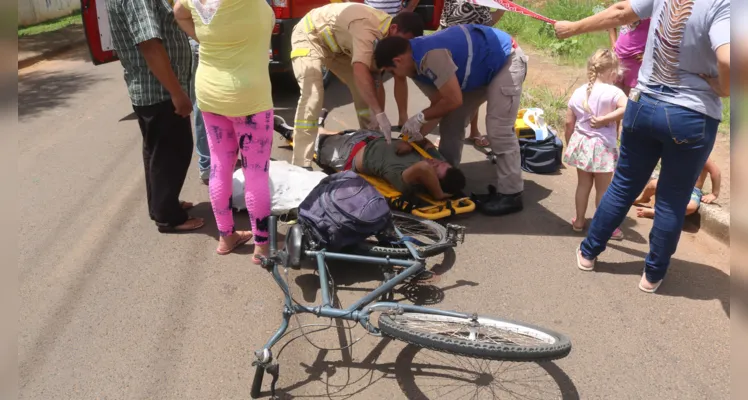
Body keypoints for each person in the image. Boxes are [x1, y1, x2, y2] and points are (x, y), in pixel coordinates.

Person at [555, 0, 730, 293]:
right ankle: (651, 275)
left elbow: (622, 11)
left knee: (623, 185)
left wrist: (573, 27)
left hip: (643, 104)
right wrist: (725, 88)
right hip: (690, 114)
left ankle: (588, 253)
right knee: (672, 199)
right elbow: (729, 58)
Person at [374, 24, 528, 216]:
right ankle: (447, 177)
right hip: (480, 68)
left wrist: (420, 118)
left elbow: (453, 100)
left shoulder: (431, 57)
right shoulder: (414, 65)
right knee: (452, 121)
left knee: (498, 128)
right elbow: (440, 105)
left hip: (505, 60)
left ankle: (511, 194)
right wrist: (410, 139)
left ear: (397, 60)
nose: (396, 76)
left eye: (392, 71)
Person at [174, 0, 275, 261]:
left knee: (219, 165)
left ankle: (226, 235)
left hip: (210, 92)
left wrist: (208, 39)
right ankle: (262, 247)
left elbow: (179, 13)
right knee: (256, 173)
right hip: (250, 96)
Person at [106, 0, 204, 233]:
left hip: (154, 90)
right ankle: (169, 217)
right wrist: (177, 93)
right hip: (159, 91)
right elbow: (149, 45)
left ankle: (162, 205)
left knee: (157, 153)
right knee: (172, 152)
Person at [289, 3, 425, 168]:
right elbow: (360, 71)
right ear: (394, 28)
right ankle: (300, 163)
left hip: (338, 48)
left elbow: (375, 76)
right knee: (313, 96)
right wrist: (380, 114)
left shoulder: (389, 35)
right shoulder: (367, 29)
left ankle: (372, 142)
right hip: (310, 37)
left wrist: (377, 120)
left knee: (364, 94)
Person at [563, 49, 627, 239]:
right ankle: (604, 227)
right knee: (603, 190)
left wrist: (570, 144)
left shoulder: (578, 92)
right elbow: (628, 107)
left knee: (583, 185)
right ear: (613, 73)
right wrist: (605, 119)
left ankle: (579, 221)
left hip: (582, 144)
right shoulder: (614, 92)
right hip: (603, 148)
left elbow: (568, 123)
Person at [315, 129, 466, 200]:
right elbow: (424, 141)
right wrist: (409, 142)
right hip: (372, 136)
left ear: (432, 181)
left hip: (347, 153)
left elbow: (424, 168)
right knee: (335, 133)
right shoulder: (435, 163)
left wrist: (439, 194)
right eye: (441, 162)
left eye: (437, 168)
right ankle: (321, 126)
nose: (434, 161)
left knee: (313, 138)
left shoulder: (409, 181)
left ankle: (299, 131)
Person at [439, 0, 506, 148]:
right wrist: (501, 11)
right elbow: (487, 21)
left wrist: (502, 8)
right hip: (454, 42)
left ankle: (472, 131)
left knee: (472, 87)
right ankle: (447, 134)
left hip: (472, 44)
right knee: (452, 89)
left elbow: (486, 21)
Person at [635, 158, 722, 219]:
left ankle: (655, 212)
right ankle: (643, 198)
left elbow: (716, 172)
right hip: (672, 184)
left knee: (691, 207)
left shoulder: (703, 154)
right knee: (653, 184)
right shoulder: (679, 150)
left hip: (692, 190)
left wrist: (714, 193)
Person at [607, 18, 651, 96]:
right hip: (618, 56)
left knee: (630, 96)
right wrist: (613, 44)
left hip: (636, 59)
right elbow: (612, 20)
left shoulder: (650, 9)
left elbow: (661, 31)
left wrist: (649, 53)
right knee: (614, 93)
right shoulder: (626, 7)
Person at [188, 38, 211, 185]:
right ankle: (208, 165)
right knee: (203, 107)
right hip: (205, 44)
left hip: (202, 44)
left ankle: (211, 163)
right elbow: (181, 14)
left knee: (204, 105)